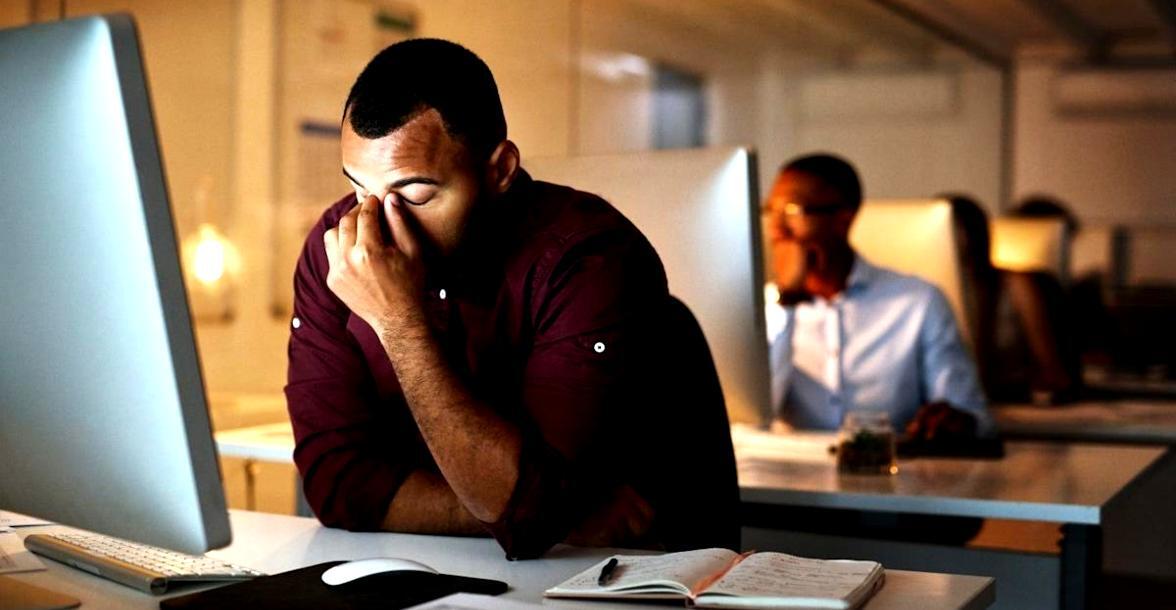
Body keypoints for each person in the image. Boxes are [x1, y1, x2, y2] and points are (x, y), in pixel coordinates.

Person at [283, 39, 738, 560]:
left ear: (499, 169)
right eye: (360, 190)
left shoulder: (591, 257)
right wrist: (557, 514)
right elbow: (337, 486)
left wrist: (397, 321)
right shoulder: (334, 248)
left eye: (414, 195)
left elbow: (525, 515)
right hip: (435, 572)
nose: (376, 229)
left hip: (615, 577)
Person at [763, 153, 993, 439]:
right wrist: (788, 300)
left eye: (793, 210)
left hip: (888, 472)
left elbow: (972, 415)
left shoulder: (918, 302)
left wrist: (952, 422)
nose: (776, 228)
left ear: (843, 218)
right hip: (788, 476)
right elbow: (757, 415)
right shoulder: (763, 308)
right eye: (771, 211)